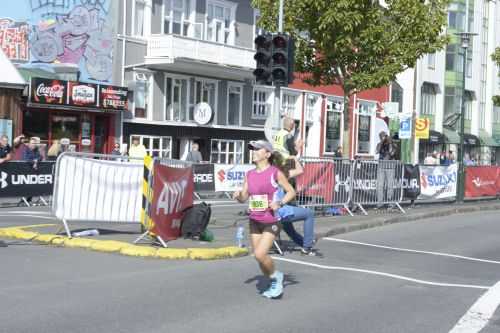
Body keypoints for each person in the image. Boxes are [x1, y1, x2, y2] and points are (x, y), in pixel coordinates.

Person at [233, 140, 295, 299]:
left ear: (267, 154)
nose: (253, 151)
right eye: (253, 149)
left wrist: (279, 203)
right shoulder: (250, 174)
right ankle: (274, 277)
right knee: (258, 257)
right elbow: (244, 197)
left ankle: (276, 278)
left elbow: (291, 192)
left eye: (257, 149)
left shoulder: (275, 173)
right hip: (254, 220)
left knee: (260, 254)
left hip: (271, 220)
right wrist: (238, 196)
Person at [273, 155, 319, 256]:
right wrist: (294, 158)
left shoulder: (261, 175)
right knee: (309, 214)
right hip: (279, 210)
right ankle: (307, 247)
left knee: (289, 228)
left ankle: (305, 244)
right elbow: (300, 170)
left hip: (268, 212)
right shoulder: (281, 175)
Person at [375, 131, 396, 209]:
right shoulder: (379, 144)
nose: (383, 138)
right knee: (380, 185)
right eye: (381, 136)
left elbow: (392, 153)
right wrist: (381, 143)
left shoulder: (392, 144)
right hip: (381, 166)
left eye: (384, 136)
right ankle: (380, 203)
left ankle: (390, 203)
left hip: (390, 167)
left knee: (389, 186)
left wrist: (390, 143)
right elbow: (376, 151)